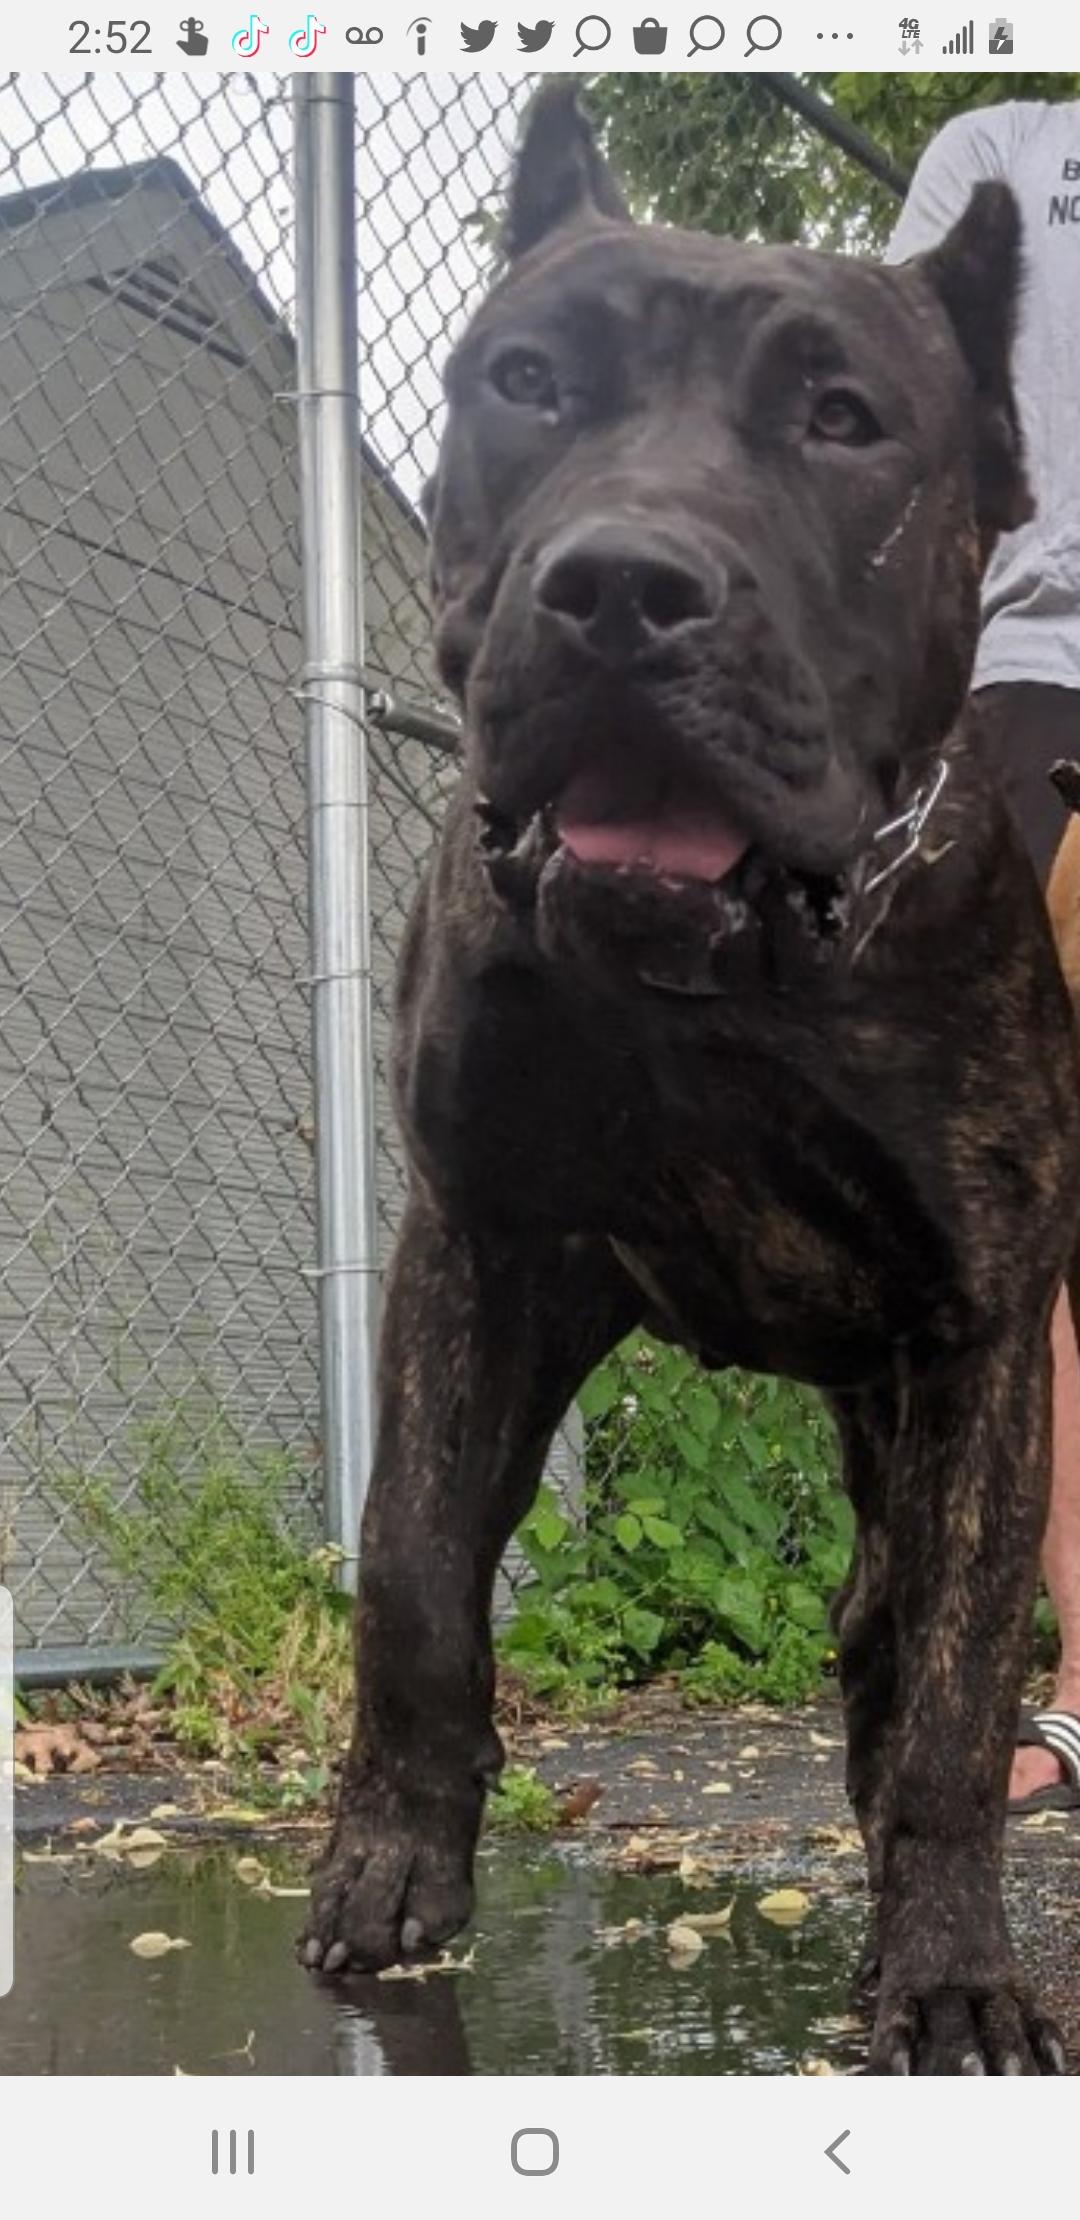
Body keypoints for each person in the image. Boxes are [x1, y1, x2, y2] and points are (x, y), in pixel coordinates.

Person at [886, 98, 1080, 1810]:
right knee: (1035, 1209)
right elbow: (904, 402)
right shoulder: (1001, 148)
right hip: (1036, 677)